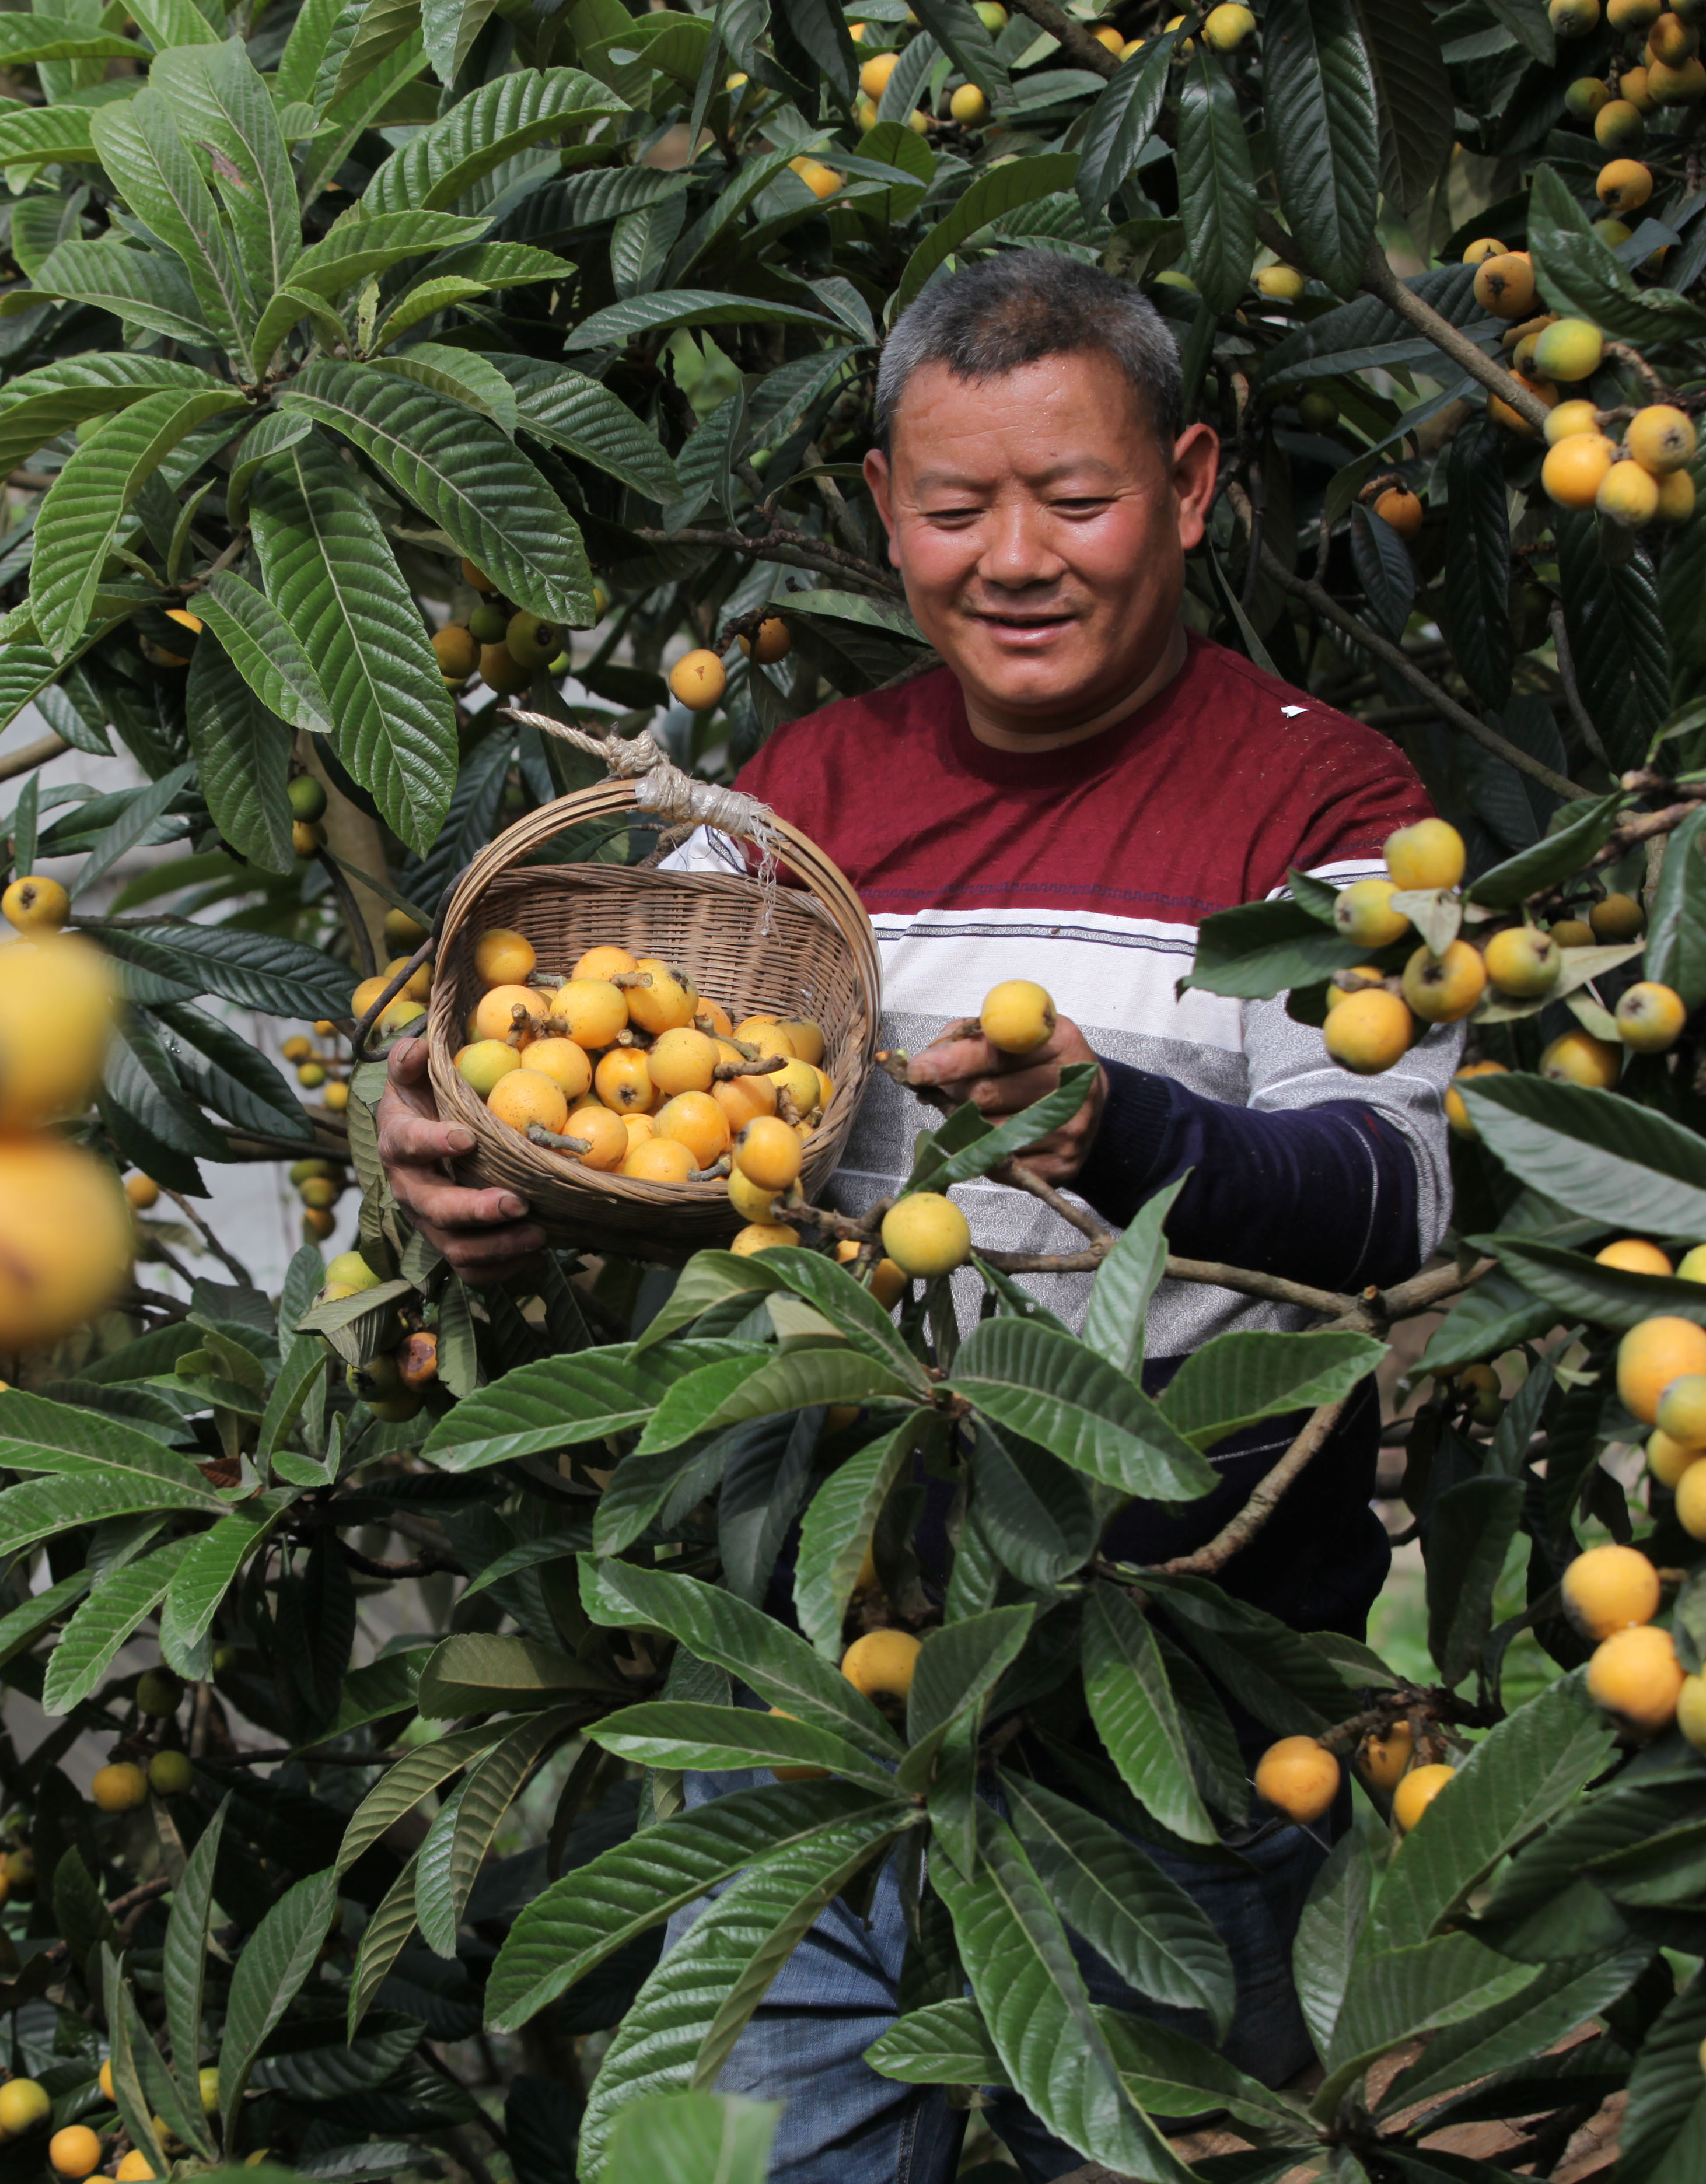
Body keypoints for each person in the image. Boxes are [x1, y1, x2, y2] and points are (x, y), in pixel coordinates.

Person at [375, 251, 1459, 2176]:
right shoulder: (785, 812)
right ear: (887, 512)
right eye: (957, 509)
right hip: (816, 1687)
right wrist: (487, 1202)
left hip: (1166, 1692)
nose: (1015, 557)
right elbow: (643, 1148)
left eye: (1078, 497)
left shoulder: (1343, 816)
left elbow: (1398, 1192)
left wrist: (1115, 1129)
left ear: (1194, 487)